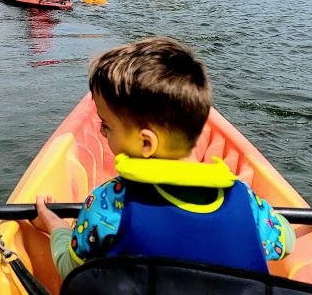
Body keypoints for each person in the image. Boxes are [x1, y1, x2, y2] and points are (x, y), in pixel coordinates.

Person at [30, 36, 294, 279]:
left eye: (106, 125)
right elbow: (287, 241)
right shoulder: (247, 202)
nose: (100, 130)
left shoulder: (108, 204)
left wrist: (54, 225)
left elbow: (71, 269)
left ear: (146, 142)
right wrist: (272, 217)